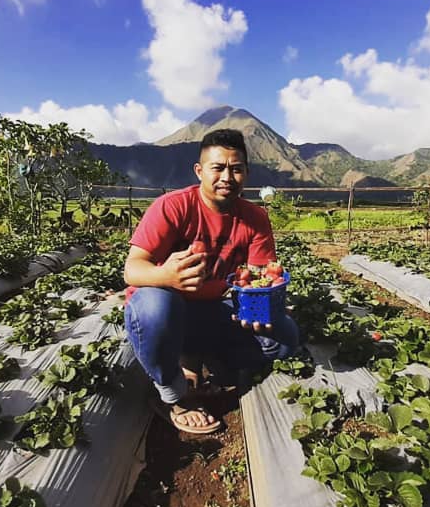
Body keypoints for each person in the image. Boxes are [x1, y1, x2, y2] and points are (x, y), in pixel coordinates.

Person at [123, 129, 300, 434]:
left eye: (236, 169)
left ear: (246, 172)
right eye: (218, 168)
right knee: (154, 306)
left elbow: (259, 277)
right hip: (168, 313)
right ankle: (173, 395)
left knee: (284, 337)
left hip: (210, 310)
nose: (227, 177)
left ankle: (201, 358)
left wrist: (258, 311)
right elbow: (132, 269)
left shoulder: (255, 217)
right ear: (200, 171)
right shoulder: (173, 206)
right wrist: (166, 276)